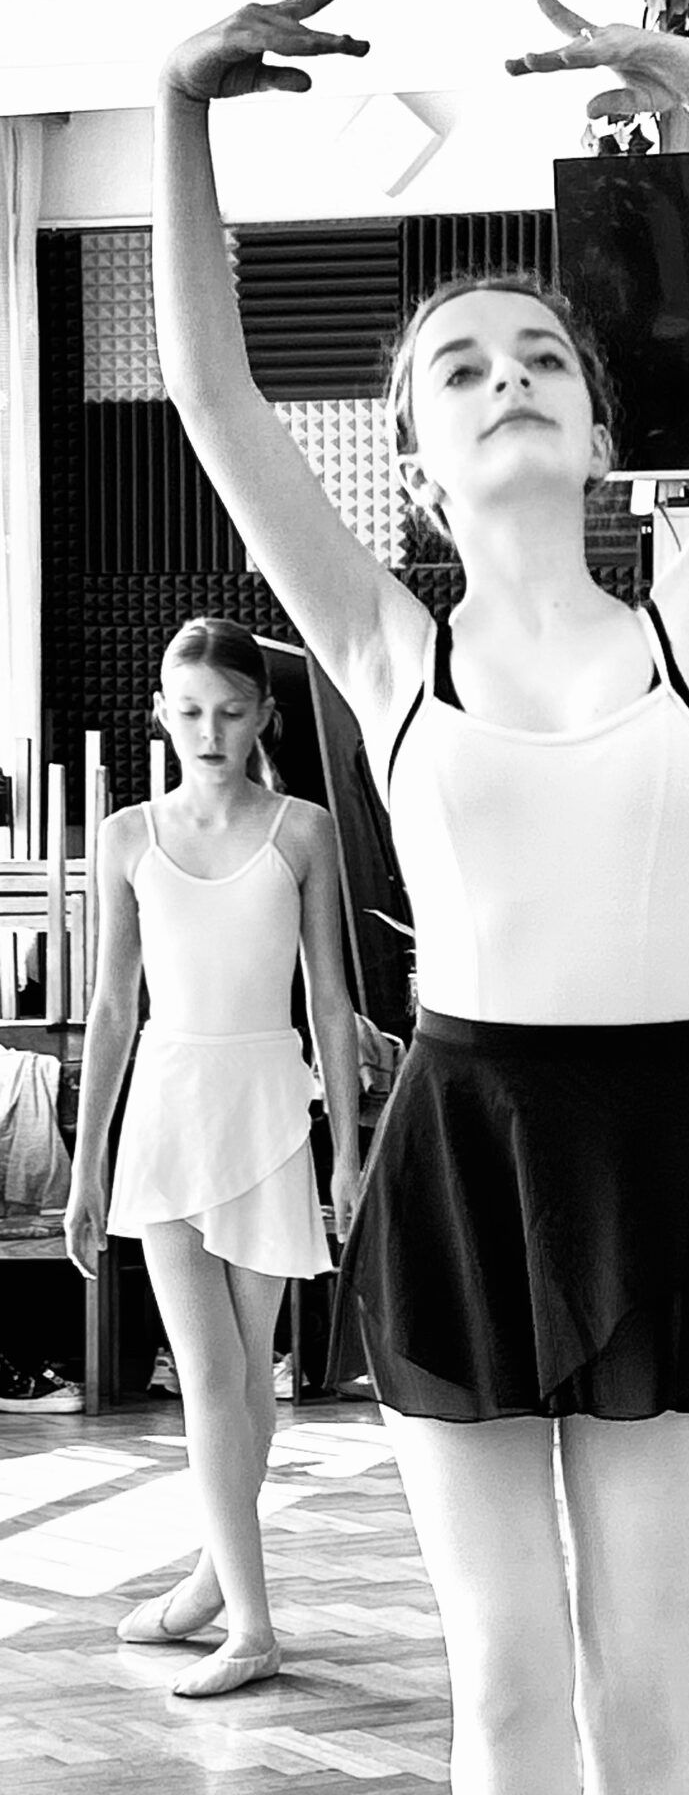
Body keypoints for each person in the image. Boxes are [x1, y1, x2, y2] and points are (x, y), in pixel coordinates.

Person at [148, 0, 689, 1794]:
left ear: (600, 432)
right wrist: (174, 113)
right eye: (462, 370)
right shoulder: (388, 652)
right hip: (462, 1163)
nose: (509, 382)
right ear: (415, 460)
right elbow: (213, 393)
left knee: (643, 1702)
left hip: (659, 1151)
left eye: (543, 357)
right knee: (503, 1696)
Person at [64, 617, 359, 1697]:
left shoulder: (302, 830)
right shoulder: (127, 837)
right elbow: (110, 1008)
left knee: (246, 1374)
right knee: (206, 1373)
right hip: (167, 1107)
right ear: (161, 714)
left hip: (269, 1107)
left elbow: (331, 999)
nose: (211, 730)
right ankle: (243, 1613)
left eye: (231, 712)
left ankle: (215, 1591)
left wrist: (347, 1153)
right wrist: (87, 1164)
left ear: (262, 715)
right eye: (190, 711)